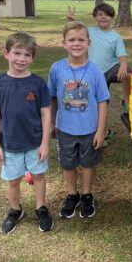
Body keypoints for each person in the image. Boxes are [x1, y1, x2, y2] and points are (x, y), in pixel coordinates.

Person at [0, 32, 53, 234]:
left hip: (35, 142)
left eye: (27, 55)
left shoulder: (38, 83)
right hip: (10, 144)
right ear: (6, 54)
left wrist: (45, 143)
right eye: (17, 53)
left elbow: (46, 112)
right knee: (13, 180)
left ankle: (41, 208)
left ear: (33, 58)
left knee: (38, 176)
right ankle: (15, 210)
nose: (22, 59)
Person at [48, 21, 110, 219]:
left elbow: (102, 102)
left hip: (90, 129)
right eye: (71, 40)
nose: (76, 43)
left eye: (81, 39)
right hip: (65, 128)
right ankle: (72, 195)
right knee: (68, 164)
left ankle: (86, 195)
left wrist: (100, 130)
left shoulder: (95, 71)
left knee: (88, 163)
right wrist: (51, 123)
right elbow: (53, 98)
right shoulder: (56, 69)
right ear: (64, 43)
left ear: (88, 43)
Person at [88, 3, 131, 113]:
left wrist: (123, 66)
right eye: (100, 14)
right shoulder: (89, 31)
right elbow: (75, 32)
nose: (103, 17)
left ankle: (127, 102)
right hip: (95, 73)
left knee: (131, 75)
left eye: (107, 15)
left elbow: (122, 55)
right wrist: (70, 21)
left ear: (111, 18)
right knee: (101, 104)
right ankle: (104, 130)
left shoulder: (115, 36)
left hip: (111, 69)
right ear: (95, 17)